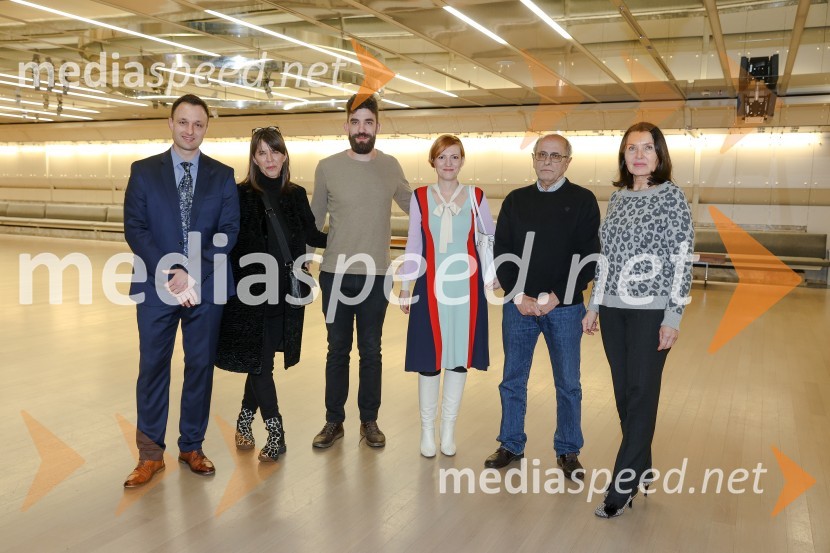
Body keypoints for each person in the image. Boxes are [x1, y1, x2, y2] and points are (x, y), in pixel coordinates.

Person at [122, 94, 240, 487]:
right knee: (153, 367)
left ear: (206, 128)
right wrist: (172, 271)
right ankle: (150, 454)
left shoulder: (222, 175)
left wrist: (193, 272)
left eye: (198, 124)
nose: (190, 130)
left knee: (200, 366)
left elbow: (228, 231)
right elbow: (135, 227)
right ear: (171, 123)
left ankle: (191, 446)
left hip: (206, 286)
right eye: (184, 122)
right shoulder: (143, 171)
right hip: (156, 286)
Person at [583, 122, 694, 518]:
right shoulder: (617, 198)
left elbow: (682, 258)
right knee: (624, 396)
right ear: (624, 156)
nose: (640, 155)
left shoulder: (672, 197)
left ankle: (621, 487)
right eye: (632, 148)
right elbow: (606, 258)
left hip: (652, 311)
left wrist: (673, 316)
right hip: (614, 311)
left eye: (648, 148)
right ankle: (642, 467)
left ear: (659, 155)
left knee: (641, 394)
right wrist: (594, 305)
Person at [485, 134, 600, 480]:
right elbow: (502, 250)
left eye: (555, 156)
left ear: (567, 162)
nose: (547, 161)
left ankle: (568, 449)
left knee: (568, 383)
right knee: (512, 379)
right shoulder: (516, 200)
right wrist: (518, 294)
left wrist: (557, 296)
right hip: (518, 307)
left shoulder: (583, 201)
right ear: (533, 159)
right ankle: (510, 444)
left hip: (563, 309)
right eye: (542, 155)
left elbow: (589, 256)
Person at [214, 126, 327, 462]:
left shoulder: (296, 194)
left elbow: (312, 235)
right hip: (250, 298)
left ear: (285, 154)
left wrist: (349, 232)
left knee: (261, 362)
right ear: (253, 158)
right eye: (262, 152)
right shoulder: (240, 195)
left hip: (285, 296)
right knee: (262, 366)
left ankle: (243, 421)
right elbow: (227, 242)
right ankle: (277, 433)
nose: (270, 159)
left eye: (275, 151)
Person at [309, 93, 411, 448]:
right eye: (355, 122)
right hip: (335, 274)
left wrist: (452, 199)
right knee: (337, 350)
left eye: (368, 122)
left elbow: (417, 207)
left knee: (371, 350)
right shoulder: (327, 167)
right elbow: (314, 220)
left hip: (377, 275)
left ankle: (369, 420)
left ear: (378, 126)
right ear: (346, 126)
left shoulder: (391, 166)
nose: (362, 129)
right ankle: (333, 421)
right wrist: (303, 264)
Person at [398, 135, 495, 457]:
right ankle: (427, 430)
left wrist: (494, 274)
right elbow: (414, 243)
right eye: (442, 157)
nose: (448, 163)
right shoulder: (420, 196)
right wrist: (405, 285)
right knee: (429, 358)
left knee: (458, 358)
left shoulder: (476, 196)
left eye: (454, 157)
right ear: (433, 162)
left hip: (467, 289)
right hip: (429, 288)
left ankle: (448, 430)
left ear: (462, 160)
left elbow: (489, 237)